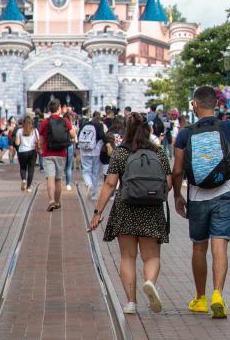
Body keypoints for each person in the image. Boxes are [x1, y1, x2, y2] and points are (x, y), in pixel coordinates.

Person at [171, 79, 230, 319]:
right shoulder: (229, 127)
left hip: (197, 197)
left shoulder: (184, 133)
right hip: (223, 194)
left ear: (195, 104)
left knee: (199, 247)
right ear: (216, 103)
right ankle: (218, 294)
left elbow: (177, 170)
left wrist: (178, 195)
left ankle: (200, 299)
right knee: (219, 244)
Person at [89, 113, 172, 316]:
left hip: (125, 208)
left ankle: (131, 302)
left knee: (127, 256)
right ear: (149, 130)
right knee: (151, 256)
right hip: (151, 211)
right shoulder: (159, 153)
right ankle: (150, 282)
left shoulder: (121, 153)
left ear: (127, 130)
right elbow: (168, 184)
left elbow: (110, 184)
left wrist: (97, 212)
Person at [38, 99, 76, 212]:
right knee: (58, 179)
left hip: (48, 153)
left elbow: (41, 139)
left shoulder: (44, 122)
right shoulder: (65, 121)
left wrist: (40, 149)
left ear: (49, 109)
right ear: (59, 108)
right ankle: (58, 201)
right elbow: (73, 135)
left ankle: (51, 201)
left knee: (50, 178)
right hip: (61, 153)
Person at [78, 112, 107, 199]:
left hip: (84, 151)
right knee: (95, 172)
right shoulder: (99, 125)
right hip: (95, 151)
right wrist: (107, 143)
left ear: (92, 116)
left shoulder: (84, 124)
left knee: (86, 170)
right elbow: (102, 135)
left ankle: (88, 184)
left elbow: (79, 135)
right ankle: (94, 194)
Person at [16, 115, 39, 192]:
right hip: (32, 151)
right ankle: (28, 187)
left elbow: (17, 143)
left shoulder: (19, 131)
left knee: (23, 168)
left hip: (22, 151)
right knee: (31, 169)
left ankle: (23, 179)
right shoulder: (35, 131)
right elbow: (38, 141)